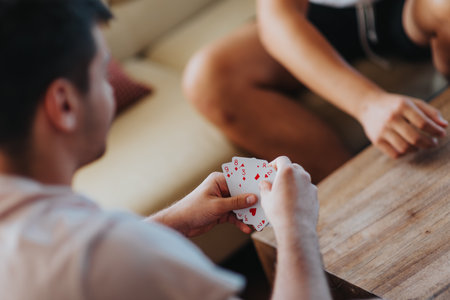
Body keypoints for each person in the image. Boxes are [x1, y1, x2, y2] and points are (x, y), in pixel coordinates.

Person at [0, 0, 331, 299]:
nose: (109, 92)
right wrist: (295, 230)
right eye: (102, 73)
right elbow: (100, 260)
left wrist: (173, 222)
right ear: (64, 104)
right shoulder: (109, 252)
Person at [183, 0, 450, 182]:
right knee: (210, 80)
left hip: (409, 8)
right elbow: (278, 17)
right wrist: (367, 103)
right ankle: (358, 198)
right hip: (321, 13)